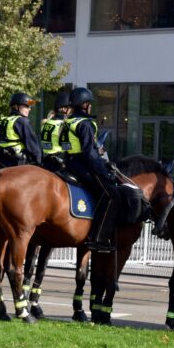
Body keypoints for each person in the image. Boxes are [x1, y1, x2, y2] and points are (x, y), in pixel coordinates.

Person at [62, 87, 120, 252]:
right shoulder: (85, 124)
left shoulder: (68, 122)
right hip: (83, 165)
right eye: (89, 103)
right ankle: (98, 238)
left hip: (69, 163)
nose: (91, 106)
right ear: (84, 104)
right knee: (112, 195)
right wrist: (104, 172)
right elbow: (89, 153)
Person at [0, 92, 42, 167]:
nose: (29, 109)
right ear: (16, 106)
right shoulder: (22, 121)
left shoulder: (4, 120)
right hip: (18, 163)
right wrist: (39, 162)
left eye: (30, 107)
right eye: (27, 106)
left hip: (2, 161)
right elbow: (32, 147)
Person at [40, 92, 72, 172]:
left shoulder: (46, 123)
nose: (71, 112)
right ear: (64, 109)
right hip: (58, 165)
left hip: (46, 162)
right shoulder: (62, 125)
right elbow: (68, 149)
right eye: (70, 109)